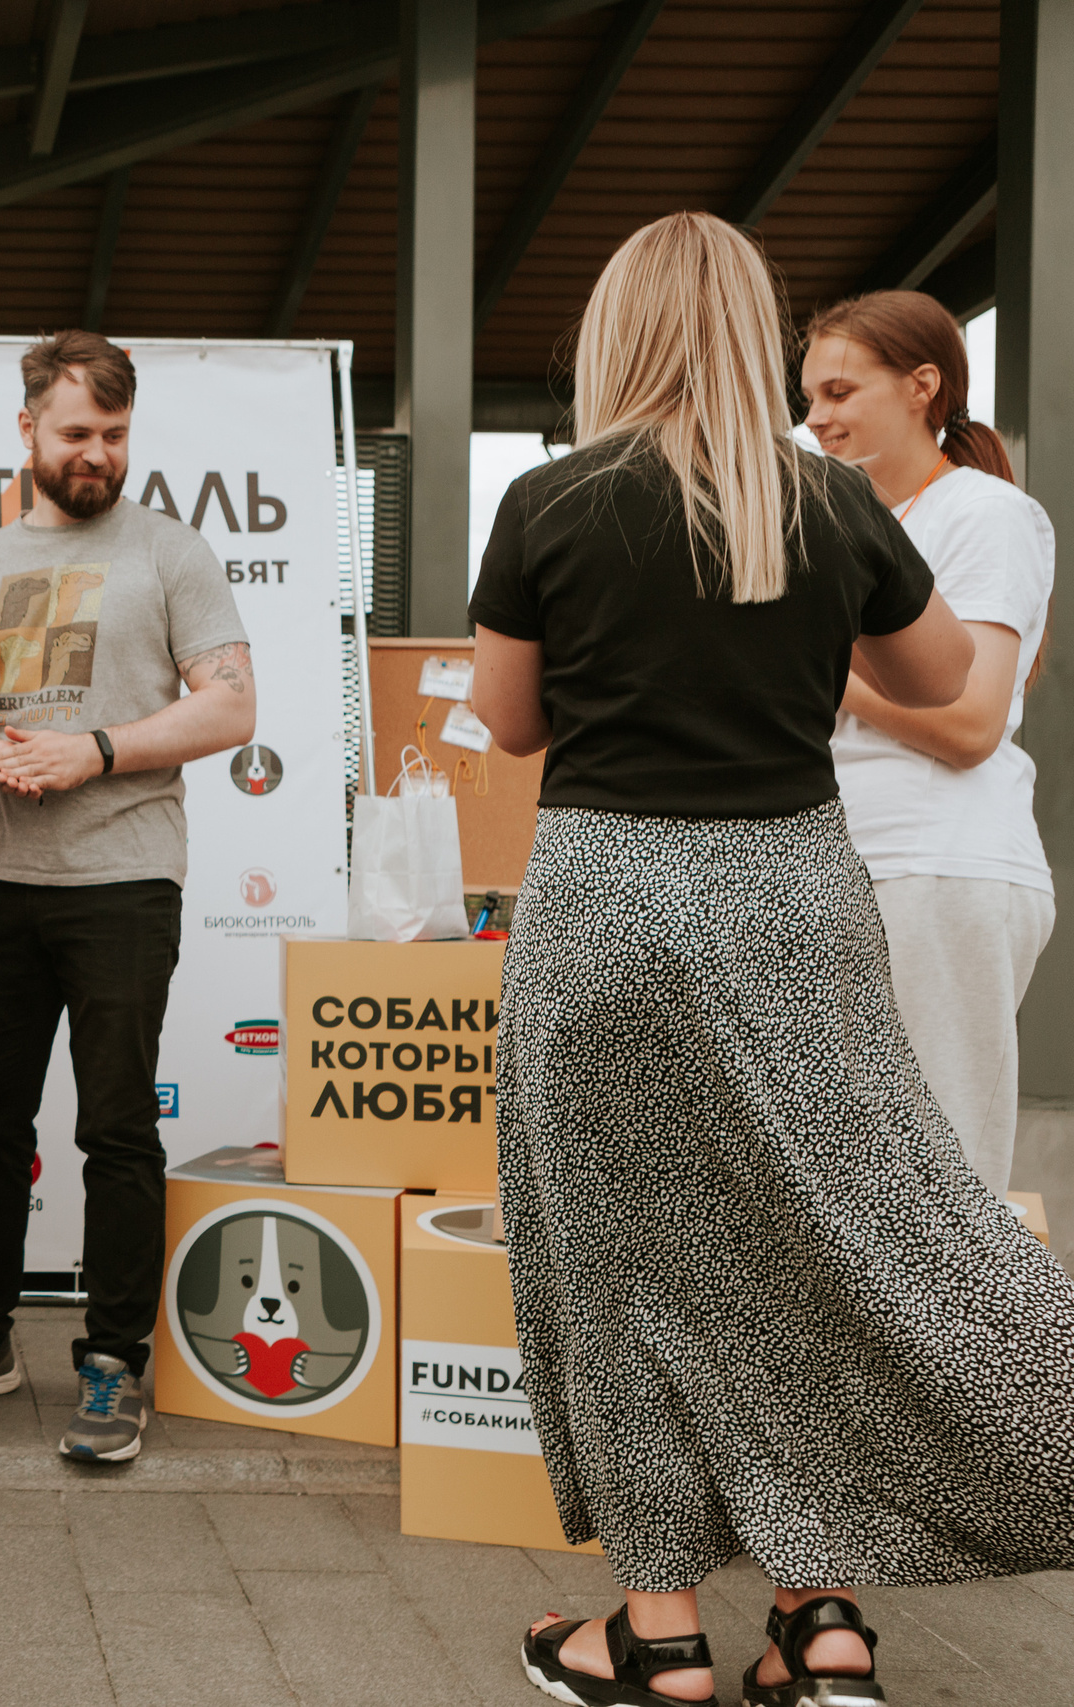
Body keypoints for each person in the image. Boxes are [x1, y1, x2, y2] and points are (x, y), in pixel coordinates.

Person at [469, 212, 1074, 1707]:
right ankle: (824, 1624)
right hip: (790, 892)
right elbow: (949, 678)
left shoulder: (549, 499)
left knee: (614, 1260)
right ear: (753, 333)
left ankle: (657, 1634)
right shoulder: (828, 501)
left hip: (604, 896)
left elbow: (513, 720)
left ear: (615, 334)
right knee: (835, 1236)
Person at [0, 330, 258, 1464]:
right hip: (3, 881)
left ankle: (112, 1362)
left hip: (126, 879)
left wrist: (91, 750)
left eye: (114, 433)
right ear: (26, 432)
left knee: (115, 1128)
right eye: (75, 433)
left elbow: (232, 707)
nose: (96, 453)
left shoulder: (171, 551)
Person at [802, 290, 1057, 1196]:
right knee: (851, 1187)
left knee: (936, 1187)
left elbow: (972, 724)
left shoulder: (984, 515)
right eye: (809, 397)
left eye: (839, 391)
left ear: (923, 386)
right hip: (849, 868)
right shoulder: (835, 522)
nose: (816, 417)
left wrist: (812, 666)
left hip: (936, 869)